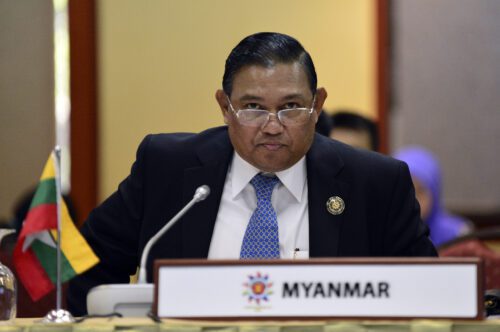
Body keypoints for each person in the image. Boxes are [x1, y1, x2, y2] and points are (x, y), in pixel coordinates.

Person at [68, 32, 437, 315]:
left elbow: (427, 294)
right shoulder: (166, 167)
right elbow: (85, 265)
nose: (272, 126)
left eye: (291, 107)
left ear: (317, 105)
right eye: (253, 107)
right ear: (224, 108)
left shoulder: (374, 183)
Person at [394, 146, 472, 246]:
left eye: (420, 191)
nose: (413, 200)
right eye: (405, 191)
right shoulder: (382, 235)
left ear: (434, 192)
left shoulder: (460, 235)